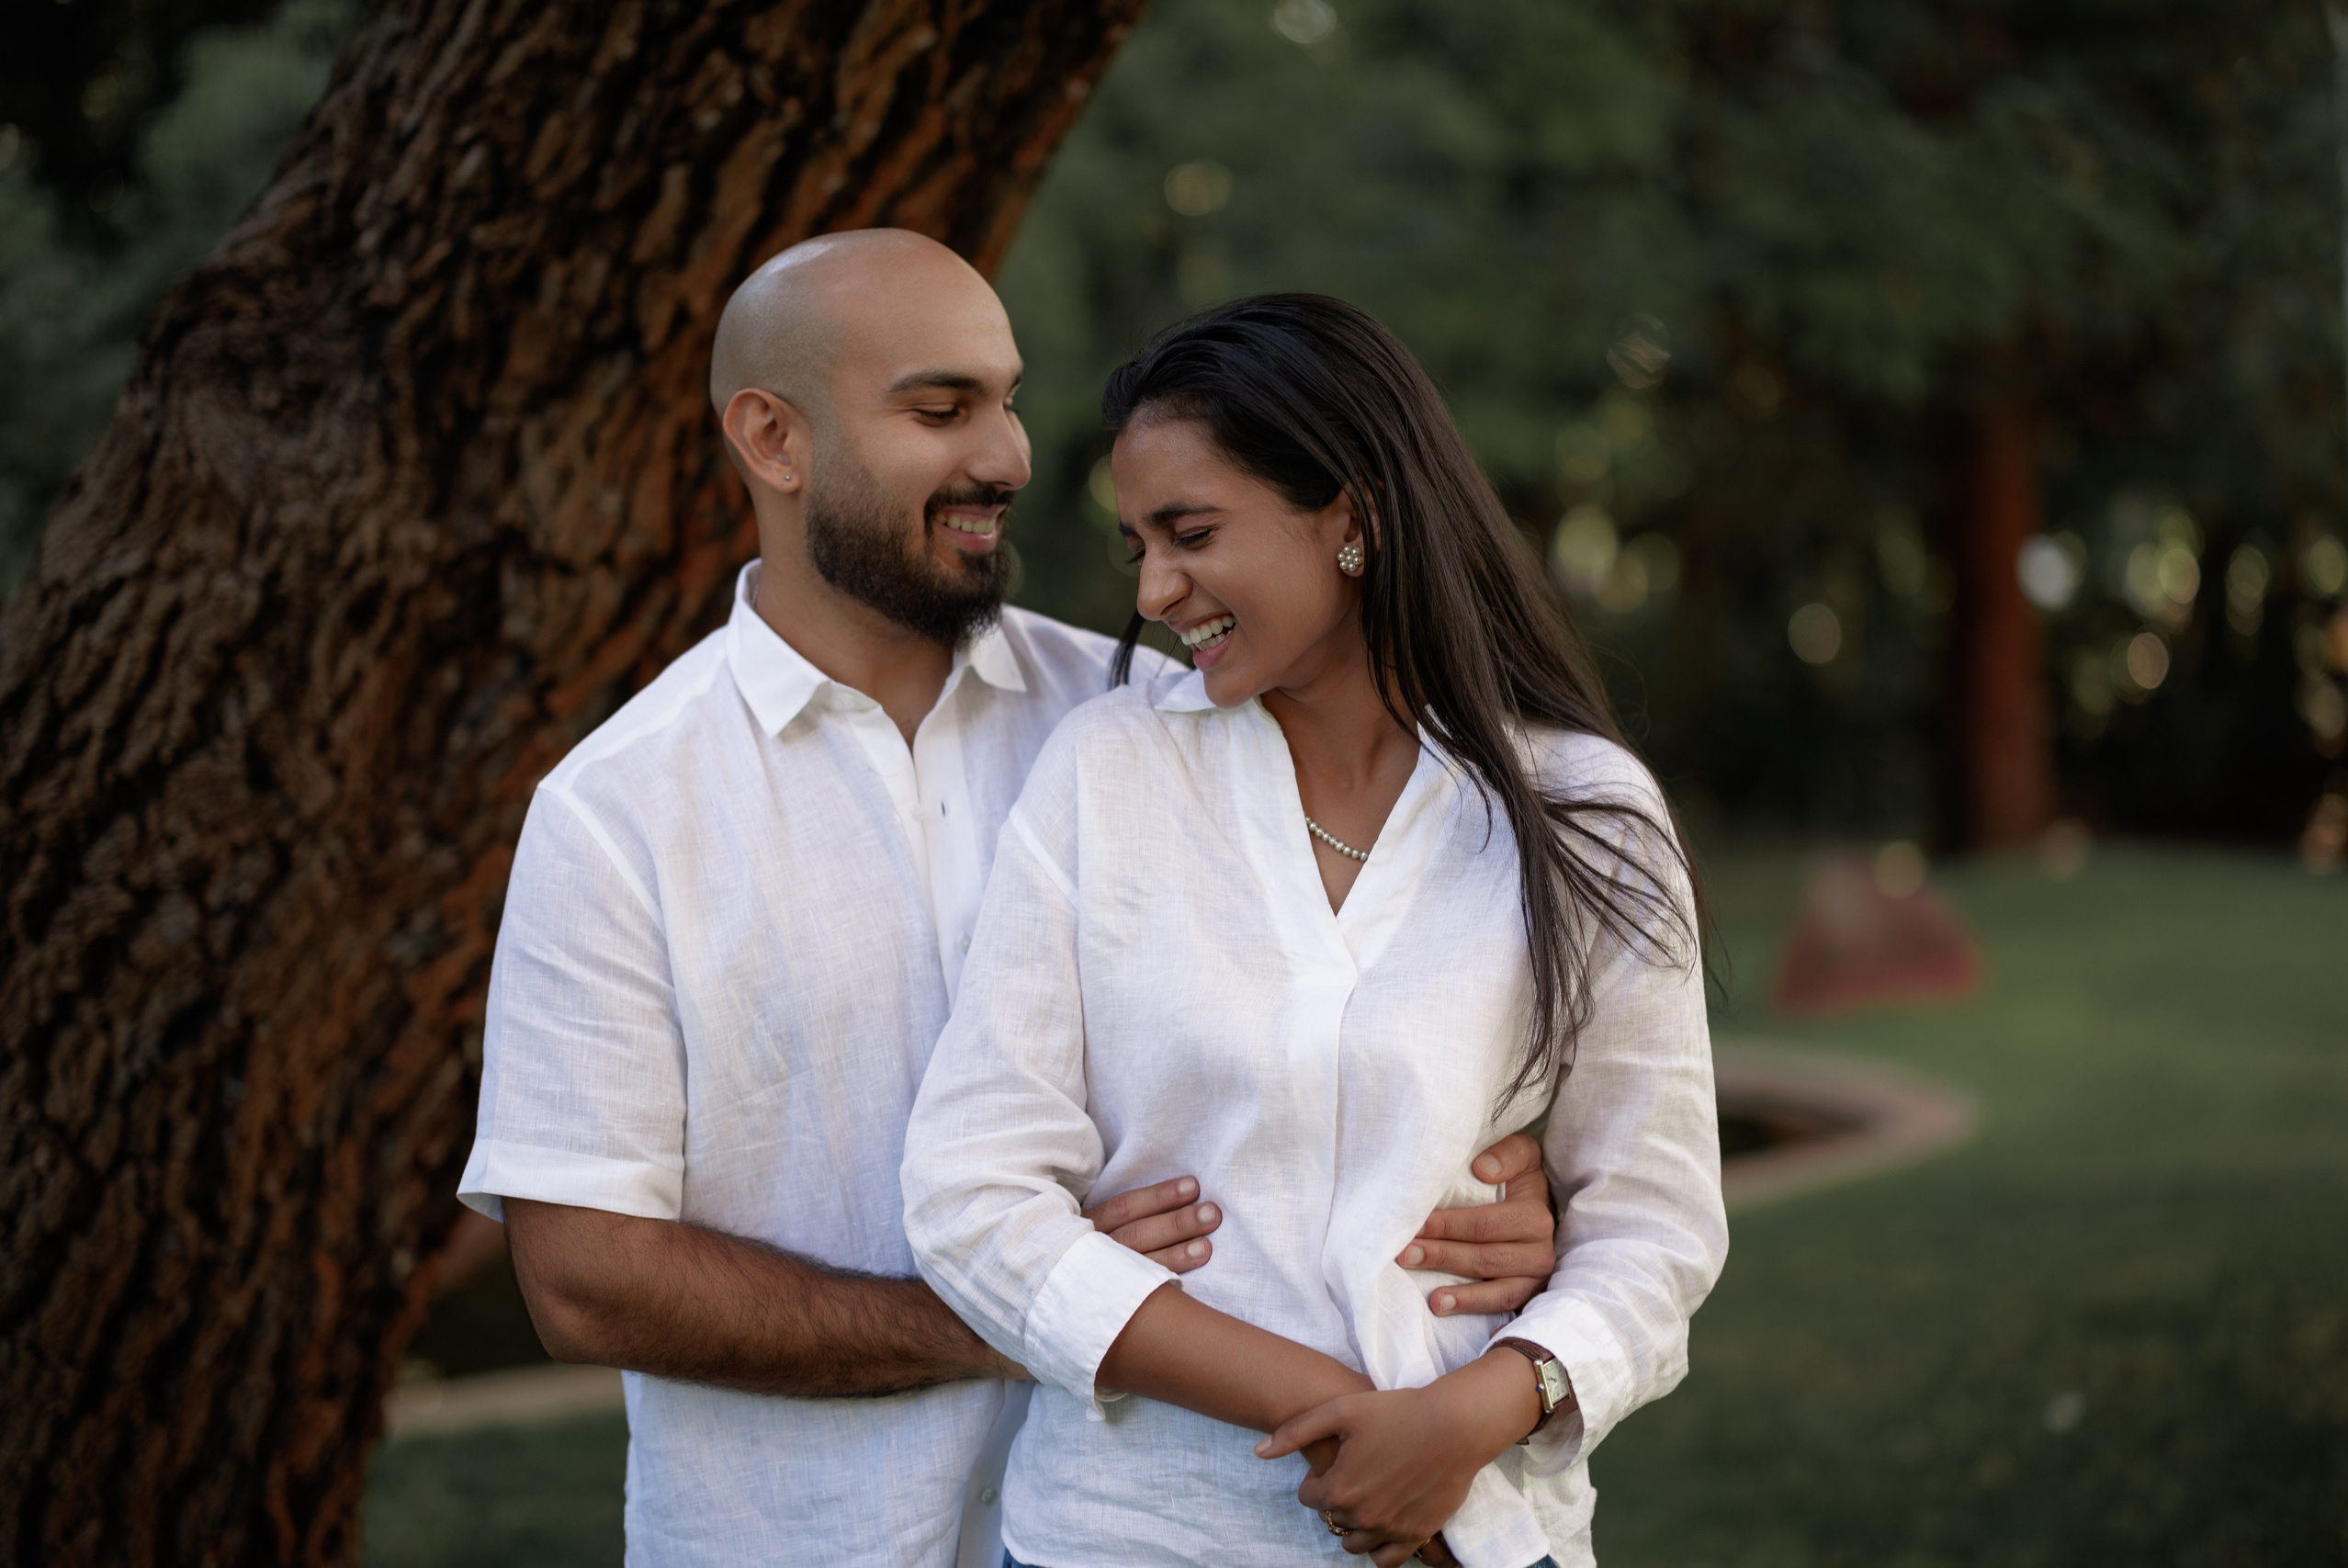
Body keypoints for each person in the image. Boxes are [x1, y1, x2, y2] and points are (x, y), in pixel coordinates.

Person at [457, 234, 1564, 1568]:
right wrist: (1016, 1304)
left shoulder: (1148, 718)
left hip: (1145, 1531)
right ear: (773, 438)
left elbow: (1356, 1014)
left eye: (1008, 397)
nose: (1011, 456)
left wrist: (1472, 1177)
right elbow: (584, 1279)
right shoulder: (620, 811)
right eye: (941, 409)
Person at [902, 294, 1729, 1568]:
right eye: (1137, 547)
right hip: (1132, 1538)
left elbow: (1658, 1226)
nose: (1158, 589)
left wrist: (1472, 1417)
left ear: (1350, 516)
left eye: (1191, 533)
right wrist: (1350, 1422)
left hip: (1482, 1542)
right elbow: (970, 1193)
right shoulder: (1109, 774)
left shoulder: (1584, 813)